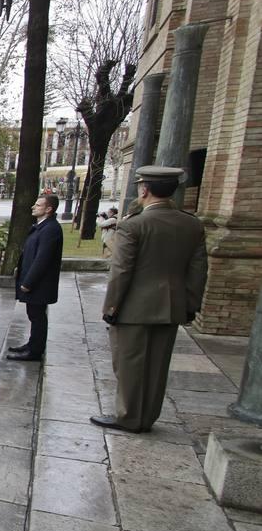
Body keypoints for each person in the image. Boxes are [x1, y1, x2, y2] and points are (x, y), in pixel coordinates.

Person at [93, 167, 208, 433]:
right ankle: (147, 416)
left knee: (129, 362)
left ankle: (129, 416)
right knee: (157, 365)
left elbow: (121, 272)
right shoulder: (191, 224)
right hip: (172, 306)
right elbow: (198, 270)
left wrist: (111, 307)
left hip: (134, 307)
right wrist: (191, 305)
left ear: (144, 190)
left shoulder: (134, 225)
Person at [8, 194, 64, 362]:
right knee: (33, 315)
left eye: (38, 205)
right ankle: (32, 344)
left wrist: (28, 282)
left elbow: (42, 259)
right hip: (33, 280)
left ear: (49, 209)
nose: (33, 207)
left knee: (38, 317)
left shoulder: (50, 229)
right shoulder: (42, 226)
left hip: (39, 284)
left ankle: (35, 350)